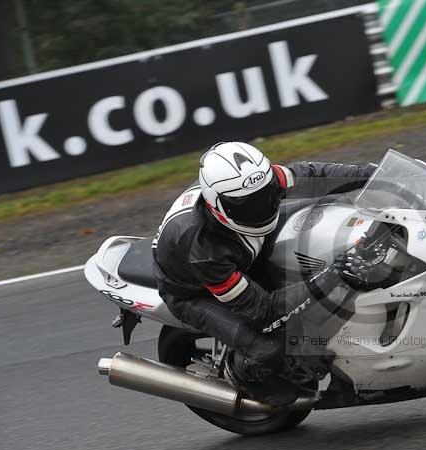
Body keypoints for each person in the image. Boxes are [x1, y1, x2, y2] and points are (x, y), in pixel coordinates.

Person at [152, 141, 383, 406]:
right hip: (193, 291)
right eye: (249, 205)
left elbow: (315, 176)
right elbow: (263, 311)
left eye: (268, 194)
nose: (262, 208)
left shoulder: (254, 182)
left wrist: (374, 174)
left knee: (329, 206)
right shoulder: (205, 250)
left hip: (242, 247)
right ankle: (242, 375)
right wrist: (333, 275)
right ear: (218, 205)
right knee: (270, 350)